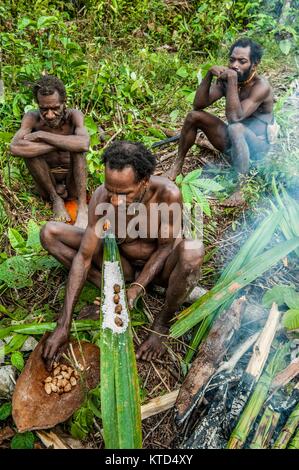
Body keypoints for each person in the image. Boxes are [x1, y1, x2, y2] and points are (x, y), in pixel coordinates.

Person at [40, 141, 204, 368]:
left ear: (144, 182)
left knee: (193, 252)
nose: (116, 201)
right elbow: (84, 257)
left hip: (159, 269)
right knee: (50, 233)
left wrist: (137, 288)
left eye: (125, 193)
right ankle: (112, 289)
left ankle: (161, 324)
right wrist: (63, 324)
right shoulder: (101, 197)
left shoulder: (167, 194)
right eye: (111, 191)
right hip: (121, 263)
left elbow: (166, 247)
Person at [167, 38, 276, 205]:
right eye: (232, 60)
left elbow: (235, 118)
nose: (235, 65)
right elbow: (199, 104)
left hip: (257, 148)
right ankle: (177, 165)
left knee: (236, 128)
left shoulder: (261, 87)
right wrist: (209, 74)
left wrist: (231, 81)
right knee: (193, 116)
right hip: (234, 144)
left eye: (242, 61)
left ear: (254, 64)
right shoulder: (228, 80)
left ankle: (241, 189)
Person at [10, 75, 90, 227]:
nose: (50, 115)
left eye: (55, 108)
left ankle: (82, 207)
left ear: (64, 103)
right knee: (28, 151)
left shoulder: (74, 116)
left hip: (72, 181)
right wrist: (63, 143)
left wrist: (42, 135)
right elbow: (15, 147)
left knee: (77, 150)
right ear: (37, 105)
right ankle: (56, 200)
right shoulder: (32, 117)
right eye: (44, 109)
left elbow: (84, 144)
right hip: (47, 184)